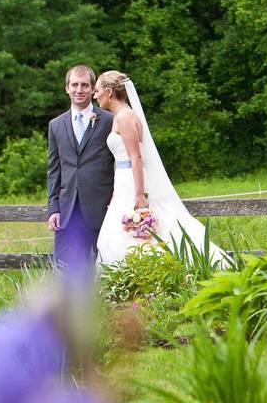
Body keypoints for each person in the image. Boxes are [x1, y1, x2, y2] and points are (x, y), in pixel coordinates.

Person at [92, 70, 226, 266]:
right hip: (122, 183)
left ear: (109, 92)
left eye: (97, 91)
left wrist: (139, 195)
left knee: (118, 236)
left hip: (131, 183)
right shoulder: (119, 115)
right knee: (114, 237)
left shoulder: (125, 117)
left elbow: (136, 158)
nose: (95, 96)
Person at [46, 65, 114, 267]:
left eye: (85, 85)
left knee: (106, 268)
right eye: (74, 85)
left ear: (93, 89)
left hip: (101, 207)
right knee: (65, 269)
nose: (79, 90)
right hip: (67, 211)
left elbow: (117, 163)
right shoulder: (56, 125)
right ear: (67, 88)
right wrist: (53, 208)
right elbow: (54, 169)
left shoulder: (109, 121)